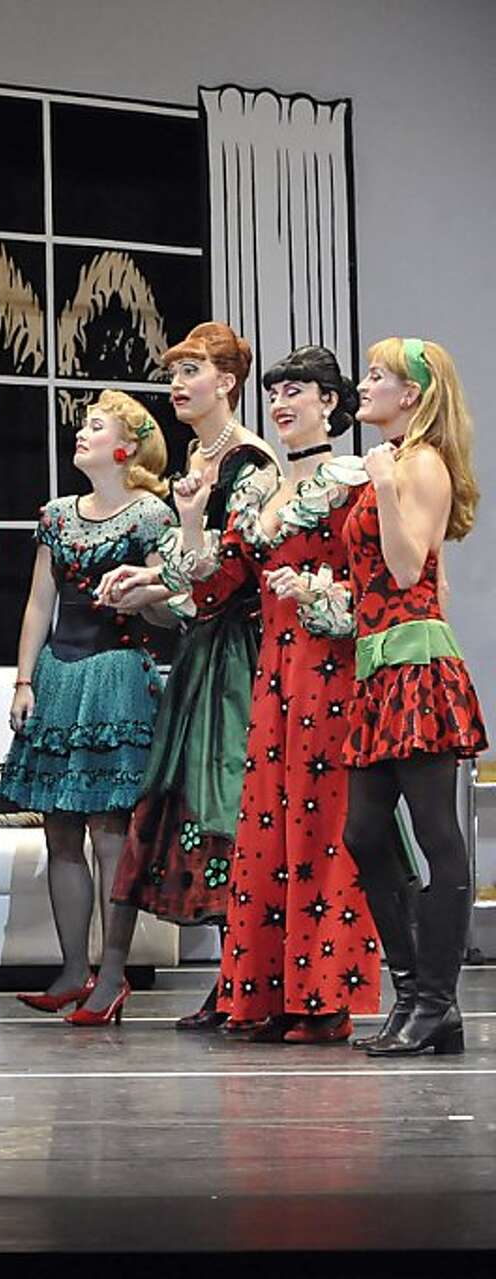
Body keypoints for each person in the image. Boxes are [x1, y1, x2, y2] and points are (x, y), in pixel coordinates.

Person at [160, 345, 379, 1044]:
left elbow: (372, 593)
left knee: (319, 827)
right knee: (265, 831)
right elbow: (210, 590)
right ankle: (269, 993)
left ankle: (323, 998)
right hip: (274, 673)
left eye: (297, 391)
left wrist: (313, 591)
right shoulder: (265, 495)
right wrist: (191, 516)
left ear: (330, 403)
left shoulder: (352, 483)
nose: (281, 403)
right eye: (277, 392)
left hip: (329, 673)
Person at [94, 322, 277, 1028]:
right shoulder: (199, 459)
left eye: (191, 370)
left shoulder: (249, 461)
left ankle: (250, 981)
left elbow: (231, 570)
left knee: (228, 805)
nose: (177, 383)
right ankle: (235, 978)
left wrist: (157, 586)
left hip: (241, 653)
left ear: (226, 382)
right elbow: (189, 569)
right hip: (205, 648)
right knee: (198, 810)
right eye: (174, 371)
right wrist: (143, 581)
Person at [0, 392, 174, 1026]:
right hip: (60, 676)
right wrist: (24, 680)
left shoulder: (149, 515)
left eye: (96, 426)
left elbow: (168, 608)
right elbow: (38, 604)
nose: (82, 433)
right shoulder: (56, 515)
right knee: (60, 830)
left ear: (125, 448)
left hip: (115, 674)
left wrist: (139, 596)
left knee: (109, 832)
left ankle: (114, 974)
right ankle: (74, 969)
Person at [342, 337, 484, 1057]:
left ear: (412, 395)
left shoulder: (419, 463)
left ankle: (434, 1002)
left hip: (414, 665)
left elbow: (406, 569)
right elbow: (429, 578)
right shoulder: (397, 463)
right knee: (363, 832)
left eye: (378, 376)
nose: (364, 384)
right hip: (381, 664)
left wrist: (381, 481)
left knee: (435, 833)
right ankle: (414, 996)